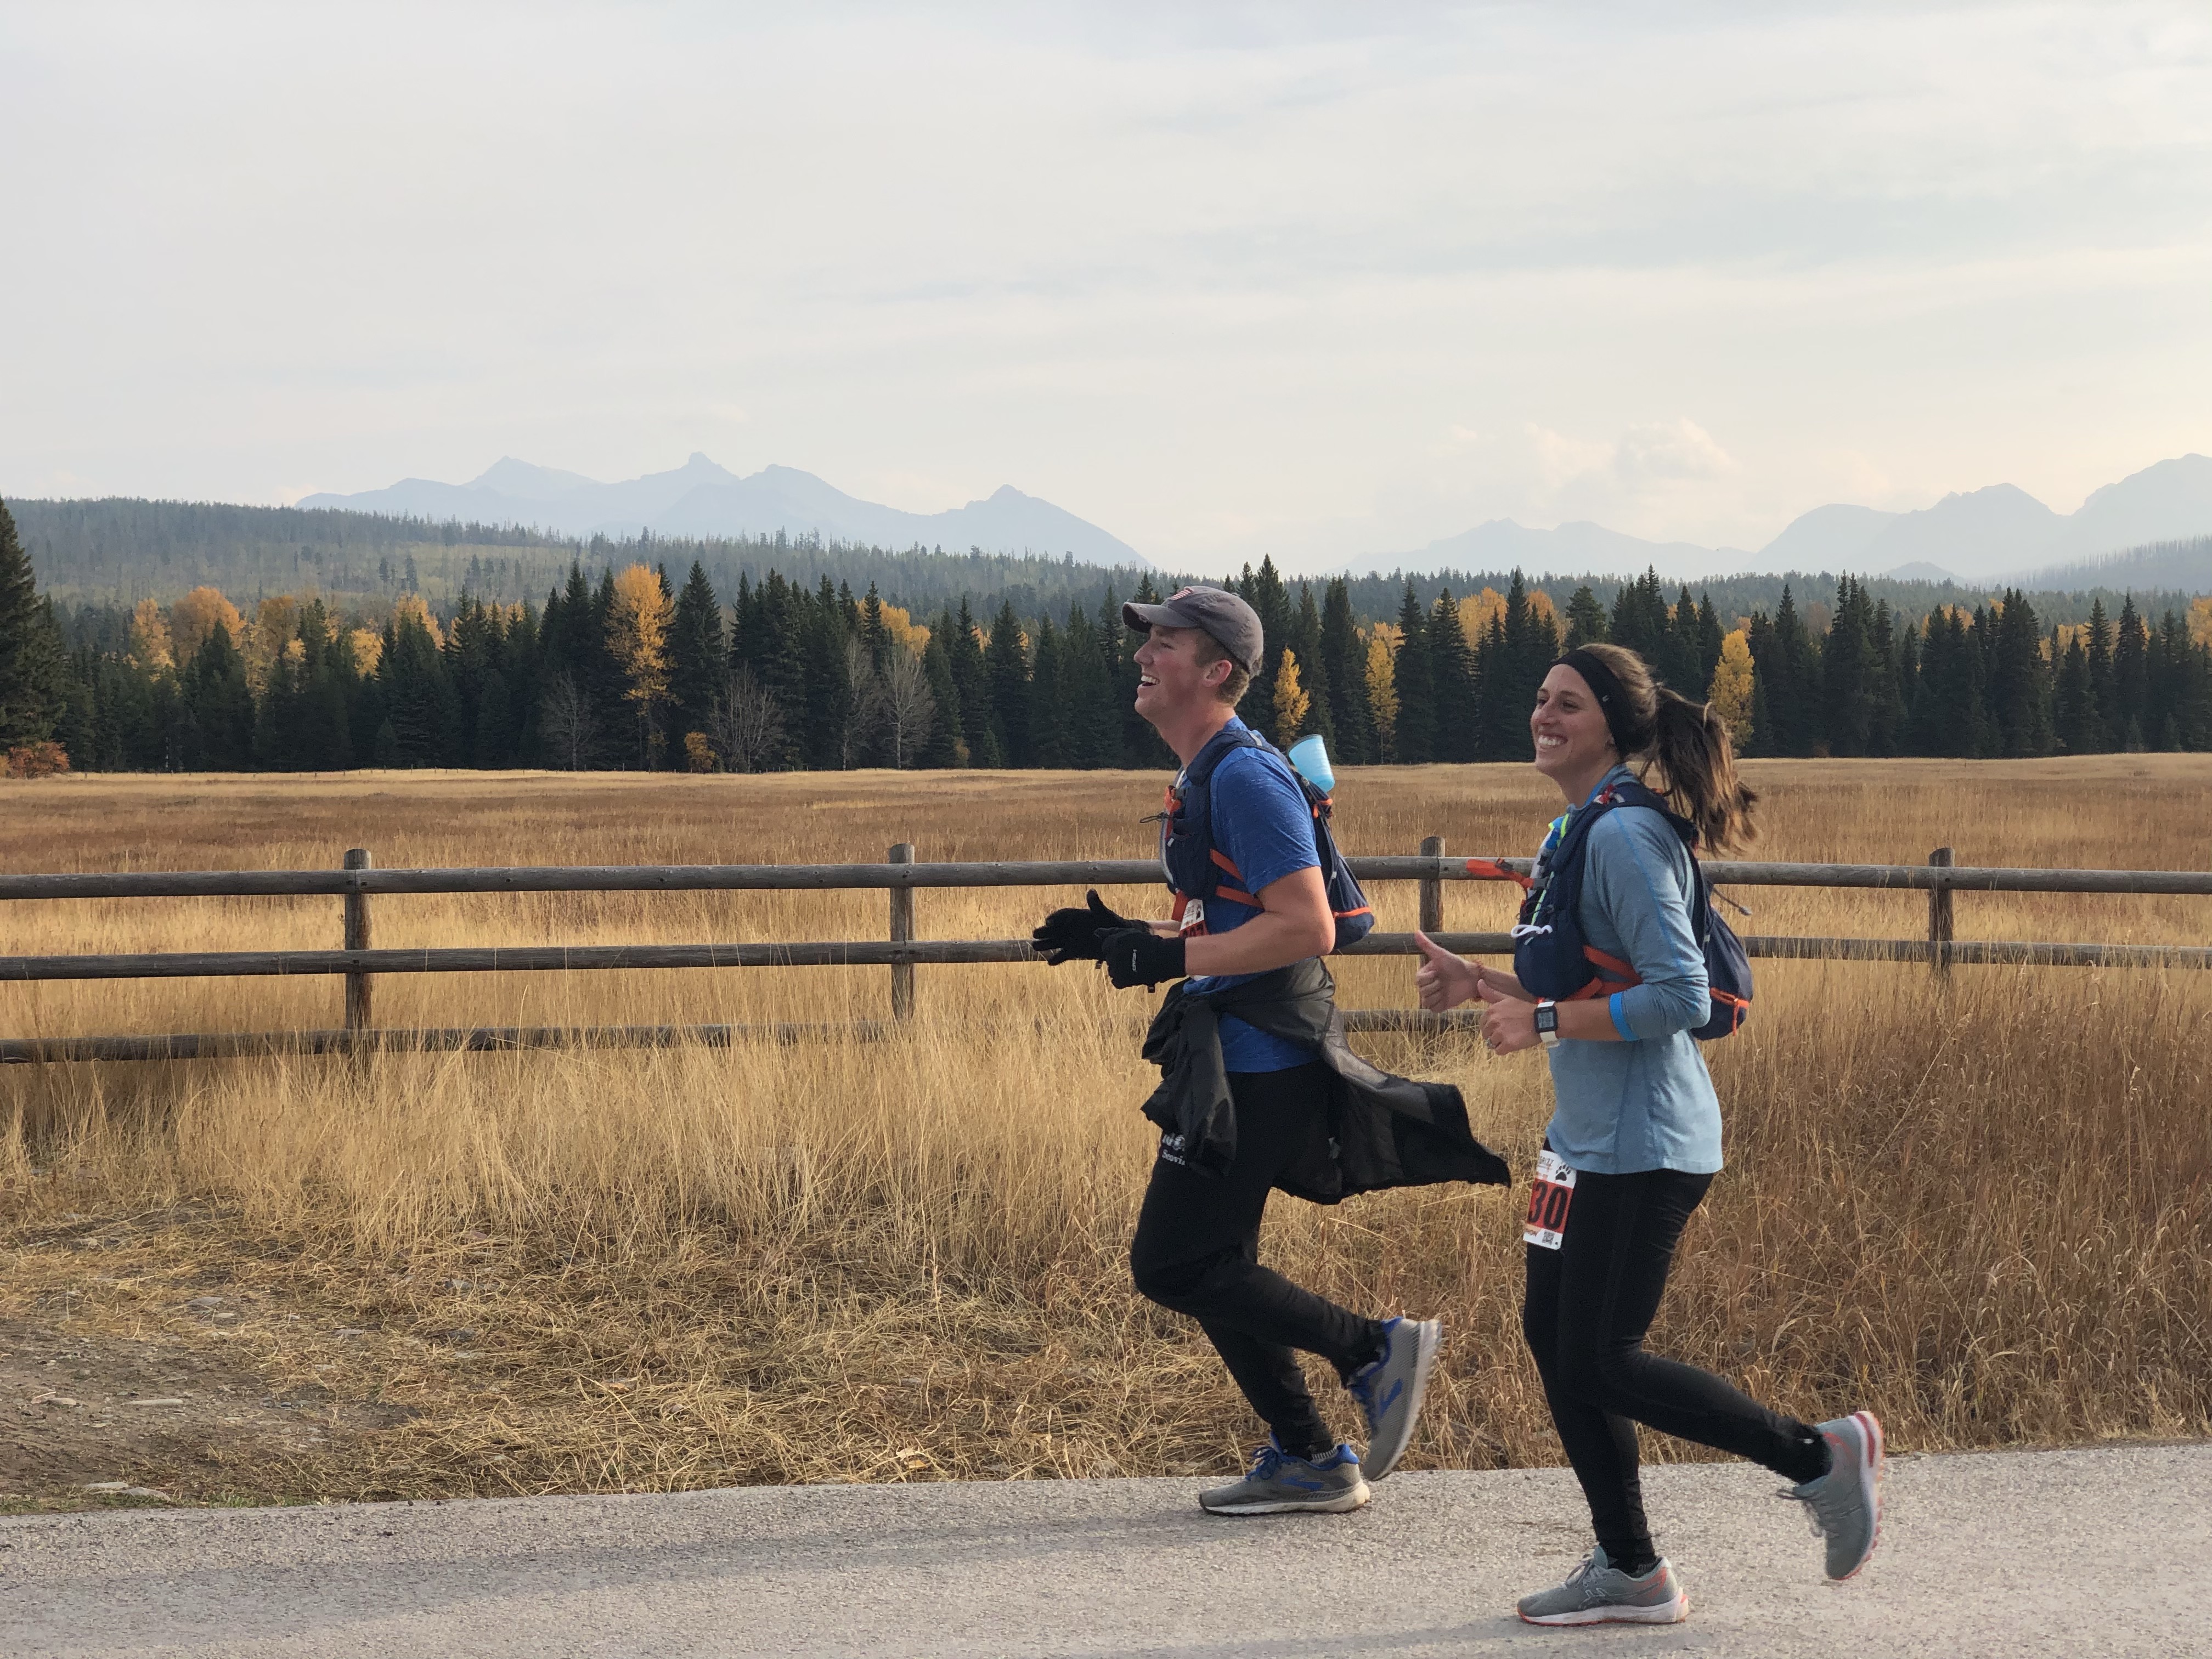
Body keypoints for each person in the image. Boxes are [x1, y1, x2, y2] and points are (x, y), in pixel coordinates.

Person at [1410, 642, 1882, 1626]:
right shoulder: (1576, 828)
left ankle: (1819, 1457)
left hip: (1646, 1143)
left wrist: (1536, 1021)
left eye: (1568, 703)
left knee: (1603, 1357)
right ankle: (1630, 1568)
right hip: (1582, 1142)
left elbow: (1674, 994)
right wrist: (1486, 987)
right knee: (1557, 1340)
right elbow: (1593, 982)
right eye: (1539, 698)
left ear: (1616, 728)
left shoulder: (1624, 837)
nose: (1545, 715)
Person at [1031, 584, 1506, 1516]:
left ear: (1217, 671)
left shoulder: (1244, 776)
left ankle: (1373, 1349)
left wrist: (1169, 953)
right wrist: (1123, 934)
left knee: (1173, 1265)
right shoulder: (1209, 773)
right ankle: (1311, 1458)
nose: (1144, 656)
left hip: (1264, 1056)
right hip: (1238, 1048)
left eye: (1164, 643)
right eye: (1148, 640)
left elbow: (1308, 926)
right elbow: (1242, 912)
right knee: (1219, 1264)